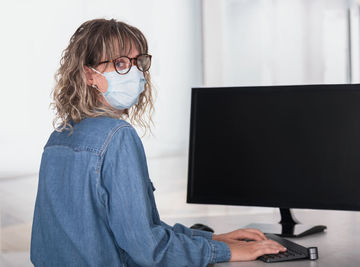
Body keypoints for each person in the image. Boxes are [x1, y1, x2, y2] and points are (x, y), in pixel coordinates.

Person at [30, 18, 286, 267]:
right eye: (119, 63)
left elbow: (134, 229)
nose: (133, 71)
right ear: (89, 75)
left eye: (137, 62)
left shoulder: (59, 137)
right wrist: (223, 251)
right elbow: (146, 249)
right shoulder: (117, 135)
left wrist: (212, 238)